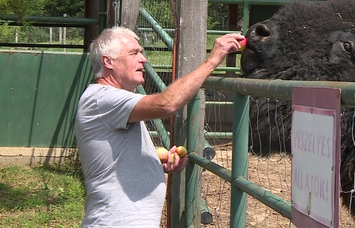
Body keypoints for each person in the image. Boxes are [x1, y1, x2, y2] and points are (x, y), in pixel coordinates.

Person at [75, 26, 245, 227]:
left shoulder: (109, 100)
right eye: (134, 53)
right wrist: (213, 60)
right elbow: (167, 104)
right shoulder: (103, 98)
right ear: (108, 61)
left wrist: (153, 163)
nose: (143, 59)